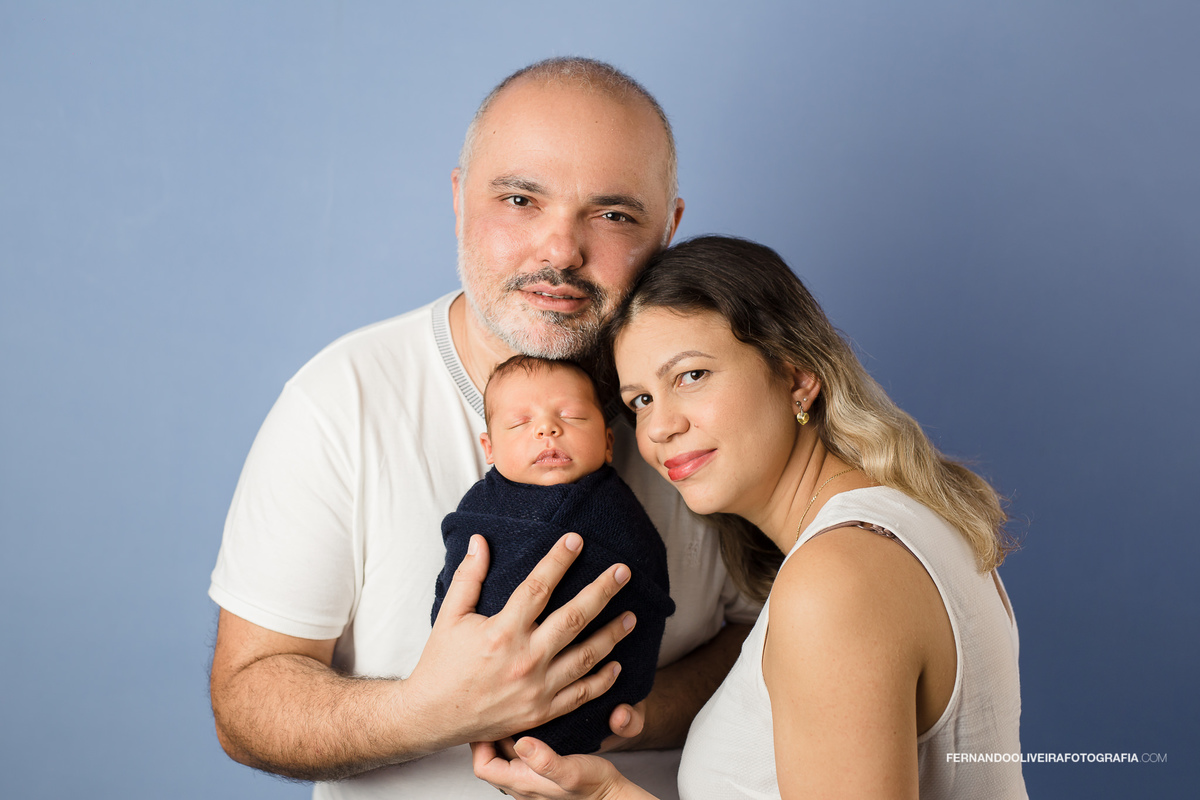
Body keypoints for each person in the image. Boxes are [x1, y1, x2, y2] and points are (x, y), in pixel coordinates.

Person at [207, 59, 758, 800]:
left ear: (671, 229)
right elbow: (245, 701)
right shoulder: (343, 401)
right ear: (462, 198)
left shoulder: (720, 401)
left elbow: (777, 633)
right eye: (521, 198)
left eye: (613, 214)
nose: (560, 251)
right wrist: (427, 711)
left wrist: (621, 711)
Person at [474, 236, 1027, 799]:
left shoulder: (838, 578)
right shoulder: (901, 526)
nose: (661, 426)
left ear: (796, 375)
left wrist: (610, 797)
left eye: (691, 376)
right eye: (640, 401)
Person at [432, 355, 676, 755]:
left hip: (602, 697)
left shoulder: (619, 512)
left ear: (609, 442)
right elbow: (452, 590)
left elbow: (647, 581)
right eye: (520, 423)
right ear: (489, 448)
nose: (548, 428)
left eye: (573, 416)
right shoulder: (481, 504)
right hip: (472, 697)